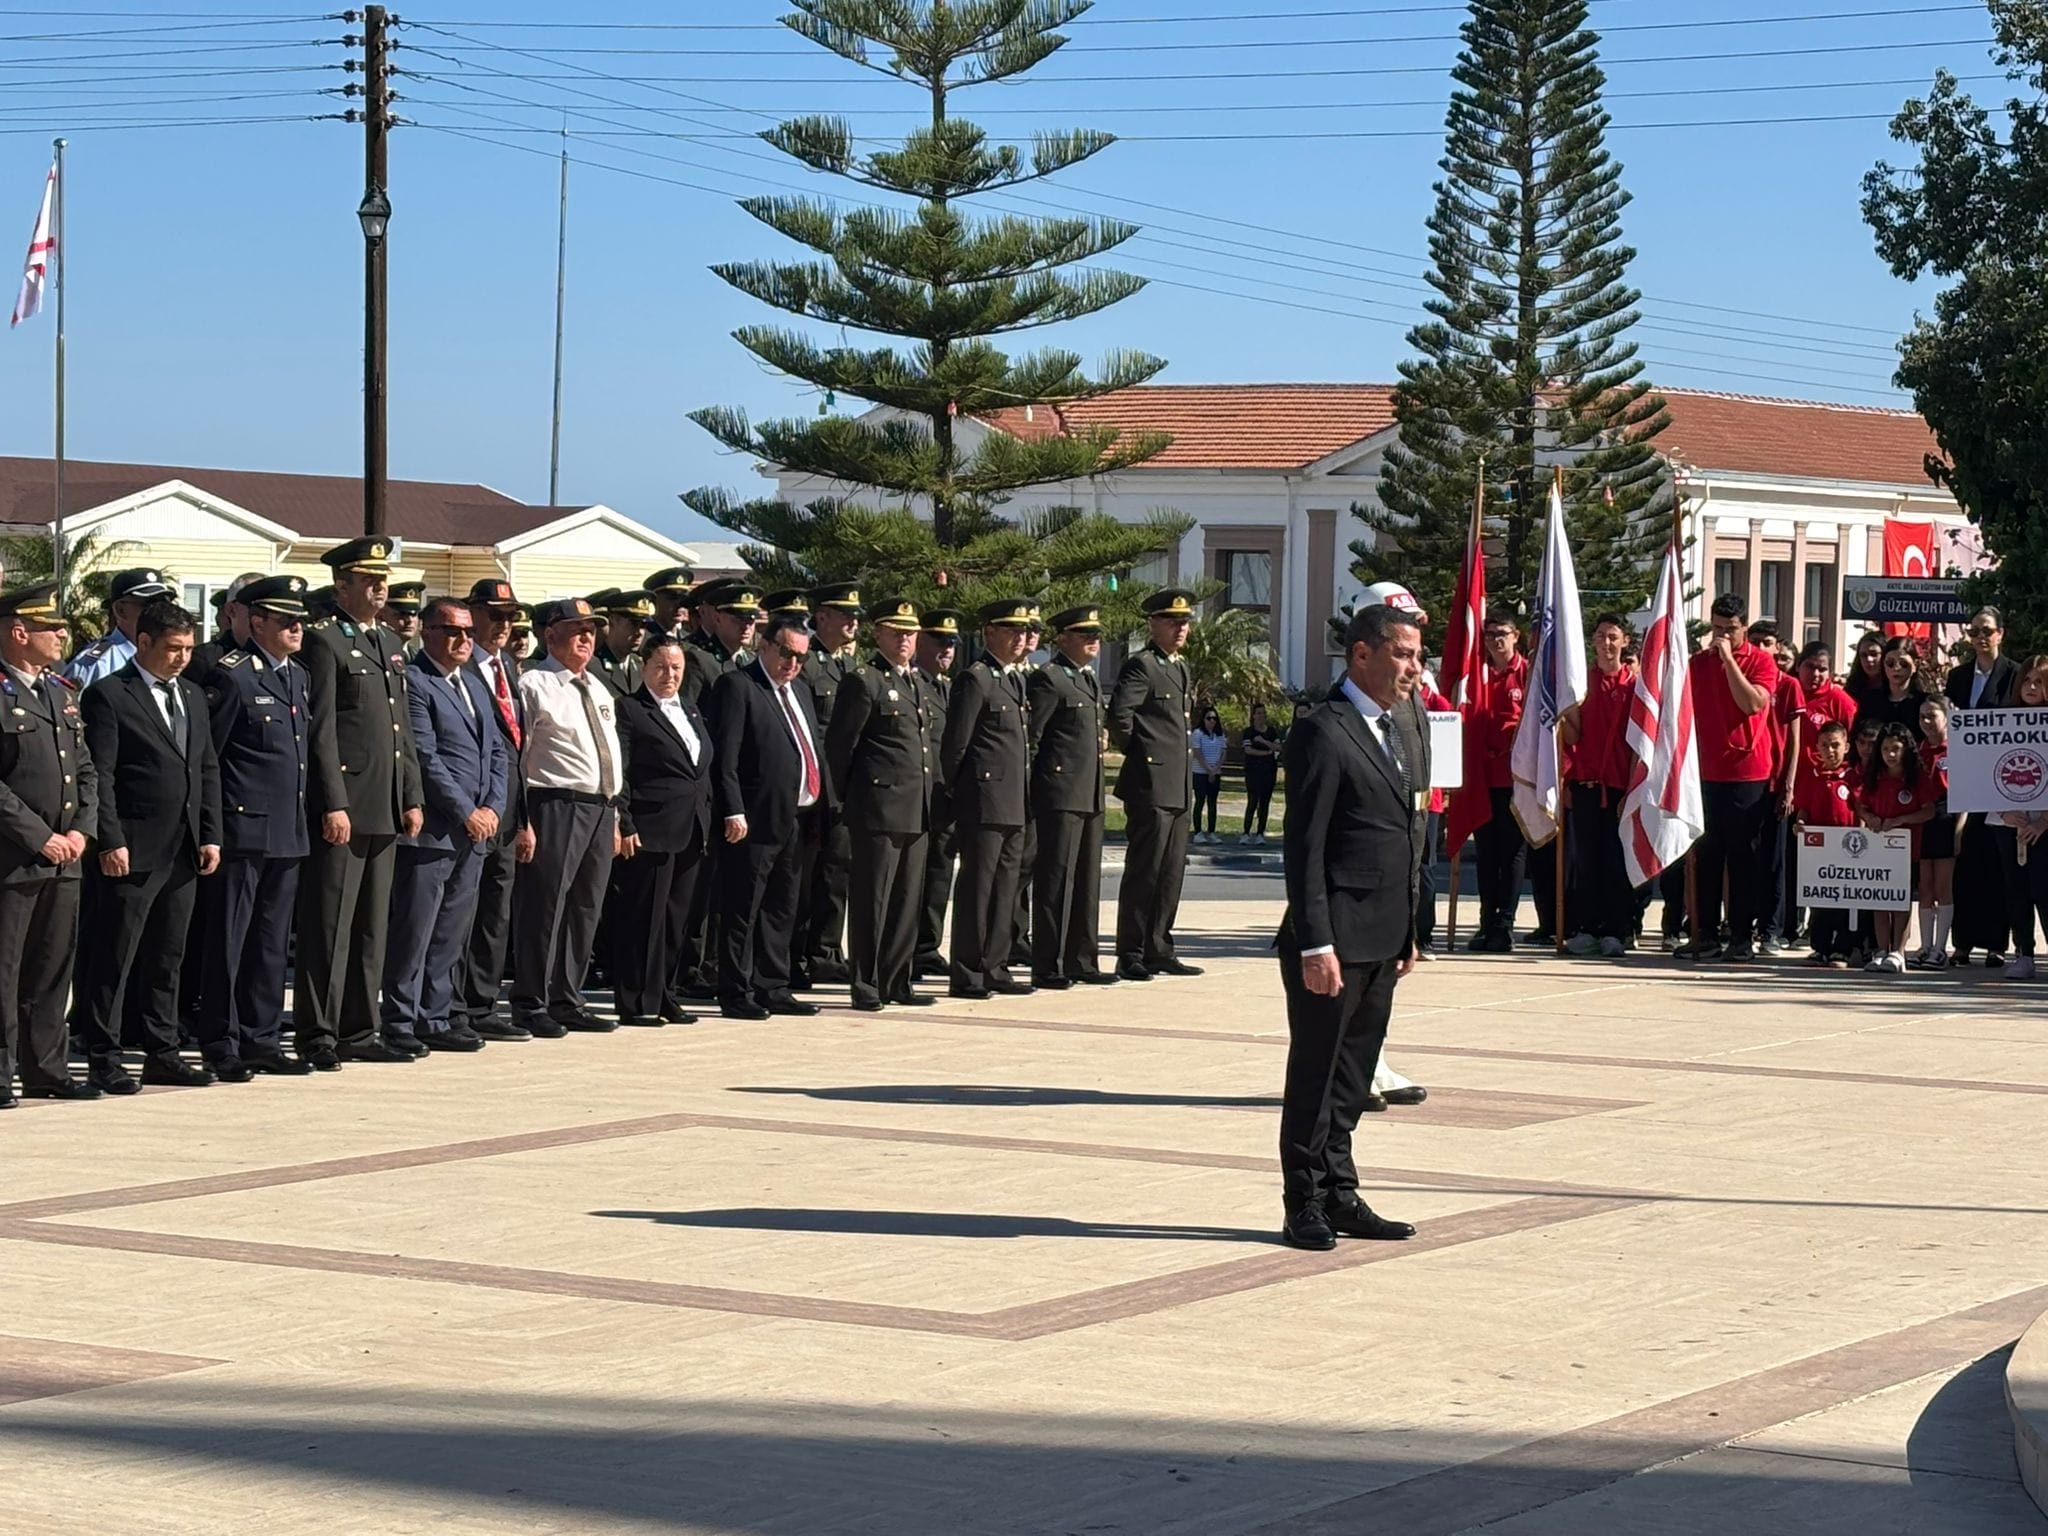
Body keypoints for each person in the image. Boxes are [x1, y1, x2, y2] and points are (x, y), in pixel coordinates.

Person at [1275, 603, 1430, 1251]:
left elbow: (1413, 830)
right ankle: (1303, 1201)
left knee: (1352, 1077)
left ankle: (1340, 1191)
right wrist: (1316, 942)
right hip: (1332, 938)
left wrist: (1411, 929)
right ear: (1361, 654)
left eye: (1417, 655)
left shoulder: (1408, 724)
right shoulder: (1323, 730)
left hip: (1384, 935)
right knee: (1317, 1075)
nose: (1413, 668)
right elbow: (1304, 848)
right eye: (1402, 654)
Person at [73, 599, 221, 1094]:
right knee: (114, 957)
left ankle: (162, 1052)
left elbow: (205, 768)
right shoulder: (110, 695)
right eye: (173, 648)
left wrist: (210, 833)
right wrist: (109, 839)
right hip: (132, 848)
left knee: (167, 958)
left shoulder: (192, 696)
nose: (182, 658)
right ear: (144, 642)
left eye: (189, 649)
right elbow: (102, 776)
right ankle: (104, 1055)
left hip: (183, 847)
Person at [295, 537, 425, 1070]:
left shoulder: (390, 642)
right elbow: (322, 729)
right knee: (330, 924)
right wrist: (333, 801)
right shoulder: (325, 640)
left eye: (382, 580)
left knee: (372, 925)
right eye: (368, 581)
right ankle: (318, 1032)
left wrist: (411, 795)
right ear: (341, 586)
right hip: (347, 804)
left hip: (385, 803)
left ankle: (360, 1028)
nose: (380, 589)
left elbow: (401, 730)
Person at [194, 575, 315, 1080]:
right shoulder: (234, 676)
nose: (296, 629)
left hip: (287, 829)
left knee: (270, 943)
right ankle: (220, 1041)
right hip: (242, 830)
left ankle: (261, 1038)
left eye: (300, 621)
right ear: (257, 622)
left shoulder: (299, 676)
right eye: (285, 620)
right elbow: (211, 759)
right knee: (228, 941)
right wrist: (212, 828)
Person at [382, 598, 507, 1056]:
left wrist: (493, 807)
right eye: (452, 631)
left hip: (475, 832)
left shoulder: (472, 683)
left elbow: (497, 751)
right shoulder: (415, 681)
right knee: (414, 931)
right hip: (436, 830)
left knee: (450, 932)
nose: (463, 640)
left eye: (469, 632)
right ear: (427, 632)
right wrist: (466, 811)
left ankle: (435, 1017)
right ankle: (400, 1019)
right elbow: (425, 756)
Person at [0, 583, 98, 1105]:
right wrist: (40, 837)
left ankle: (45, 1069)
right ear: (19, 633)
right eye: (50, 628)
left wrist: (81, 829)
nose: (62, 635)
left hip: (65, 858)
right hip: (13, 859)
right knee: (5, 970)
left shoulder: (61, 691)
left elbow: (85, 770)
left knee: (52, 969)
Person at [511, 597, 627, 1037]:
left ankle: (567, 997)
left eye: (591, 630)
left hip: (599, 806)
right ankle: (531, 1001)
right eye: (577, 629)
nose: (586, 637)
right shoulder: (534, 684)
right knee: (545, 905)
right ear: (550, 634)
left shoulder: (597, 686)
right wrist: (523, 819)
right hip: (555, 803)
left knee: (585, 907)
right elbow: (519, 757)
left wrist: (614, 815)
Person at [706, 614, 824, 1020]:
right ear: (765, 645)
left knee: (782, 906)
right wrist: (733, 809)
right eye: (787, 653)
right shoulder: (739, 686)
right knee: (743, 906)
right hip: (753, 820)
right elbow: (726, 757)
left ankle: (772, 985)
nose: (793, 664)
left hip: (796, 817)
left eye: (801, 657)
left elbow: (810, 749)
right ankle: (735, 990)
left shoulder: (800, 691)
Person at [823, 596, 937, 1012]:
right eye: (896, 632)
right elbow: (841, 748)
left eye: (910, 633)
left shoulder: (917, 681)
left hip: (915, 807)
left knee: (907, 900)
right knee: (873, 899)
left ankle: (896, 978)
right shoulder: (865, 680)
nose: (904, 639)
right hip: (878, 807)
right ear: (878, 634)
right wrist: (846, 802)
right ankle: (866, 981)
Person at [611, 634, 713, 1027]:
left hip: (691, 827)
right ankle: (635, 999)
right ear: (644, 667)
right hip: (651, 826)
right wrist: (625, 820)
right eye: (660, 667)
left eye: (676, 667)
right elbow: (622, 771)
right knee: (644, 917)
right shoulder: (631, 709)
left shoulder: (690, 709)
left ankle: (664, 992)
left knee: (675, 918)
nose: (669, 675)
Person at [452, 578, 537, 1042]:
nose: (504, 625)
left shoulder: (509, 670)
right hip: (470, 810)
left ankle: (482, 1004)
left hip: (506, 812)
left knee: (494, 913)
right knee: (460, 914)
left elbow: (517, 750)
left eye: (510, 617)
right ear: (473, 615)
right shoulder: (460, 668)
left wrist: (523, 820)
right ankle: (451, 1006)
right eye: (495, 615)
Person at [941, 598, 1037, 1000]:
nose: (1019, 637)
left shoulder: (1014, 679)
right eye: (1010, 630)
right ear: (989, 632)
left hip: (1014, 801)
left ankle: (995, 966)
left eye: (1023, 631)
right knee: (978, 890)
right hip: (984, 801)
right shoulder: (975, 678)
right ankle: (967, 972)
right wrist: (960, 796)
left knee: (1005, 890)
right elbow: (956, 747)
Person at [1109, 587, 1202, 981]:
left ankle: (1159, 947)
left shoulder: (1179, 667)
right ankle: (1130, 952)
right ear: (1153, 624)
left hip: (1178, 785)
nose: (1180, 628)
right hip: (1151, 783)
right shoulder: (1142, 666)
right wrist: (1146, 757)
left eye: (1185, 622)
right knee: (1145, 871)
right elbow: (1120, 717)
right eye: (1172, 621)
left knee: (1170, 872)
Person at [1682, 593, 1780, 962]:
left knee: (1742, 858)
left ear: (1744, 628)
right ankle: (1705, 933)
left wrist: (1729, 662)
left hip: (1747, 773)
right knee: (1707, 856)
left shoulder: (1761, 661)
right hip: (1706, 773)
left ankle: (1740, 935)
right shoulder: (1698, 664)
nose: (1722, 636)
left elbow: (1752, 703)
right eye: (1717, 628)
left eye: (1731, 629)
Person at [1027, 603, 1113, 989]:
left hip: (1089, 792)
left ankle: (1082, 959)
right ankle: (1050, 964)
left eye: (1096, 635)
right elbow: (1034, 738)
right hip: (1060, 793)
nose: (1093, 641)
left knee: (1086, 881)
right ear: (1063, 639)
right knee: (1056, 880)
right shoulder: (1050, 678)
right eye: (1085, 635)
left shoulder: (1087, 679)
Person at [1560, 613, 1637, 957]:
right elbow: (1573, 736)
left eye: (1613, 637)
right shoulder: (1580, 685)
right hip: (1585, 784)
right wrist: (1560, 713)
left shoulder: (1634, 687)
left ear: (1625, 642)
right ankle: (1587, 928)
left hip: (1620, 786)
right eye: (1601, 636)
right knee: (1586, 861)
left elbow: (1640, 744)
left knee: (1615, 862)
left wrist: (1633, 789)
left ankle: (1617, 930)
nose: (1606, 643)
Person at [800, 581, 864, 987]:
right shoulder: (807, 664)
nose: (853, 623)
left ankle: (826, 949)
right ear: (821, 617)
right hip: (815, 785)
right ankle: (805, 951)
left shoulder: (851, 666)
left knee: (838, 870)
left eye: (856, 616)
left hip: (846, 786)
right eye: (845, 615)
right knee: (810, 873)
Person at [1947, 607, 2017, 967]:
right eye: (1973, 631)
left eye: (1986, 631)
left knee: (1999, 863)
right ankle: (1962, 942)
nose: (1980, 637)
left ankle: (1995, 944)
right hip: (1968, 780)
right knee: (1967, 860)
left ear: (2000, 633)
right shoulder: (1958, 677)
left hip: (2005, 780)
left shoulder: (2014, 675)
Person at [1465, 609, 1528, 951]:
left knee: (1512, 853)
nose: (1496, 640)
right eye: (1489, 635)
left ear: (1516, 636)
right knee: (1486, 854)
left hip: (1516, 779)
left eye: (1502, 633)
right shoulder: (1476, 675)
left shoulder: (1528, 674)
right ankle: (1487, 922)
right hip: (1481, 778)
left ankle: (1505, 924)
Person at [1743, 621, 1806, 956]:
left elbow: (1795, 741)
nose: (1760, 648)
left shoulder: (1788, 685)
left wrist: (1789, 787)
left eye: (1766, 642)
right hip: (1744, 782)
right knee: (1744, 858)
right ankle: (1741, 926)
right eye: (1754, 641)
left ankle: (1771, 929)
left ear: (1777, 647)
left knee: (1774, 860)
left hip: (1775, 781)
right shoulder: (1739, 681)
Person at [1856, 723, 1934, 973]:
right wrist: (1870, 817)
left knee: (1901, 900)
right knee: (1880, 899)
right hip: (1878, 848)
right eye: (1885, 749)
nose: (1890, 754)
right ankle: (1881, 950)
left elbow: (1929, 811)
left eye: (1896, 749)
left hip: (1905, 850)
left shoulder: (1917, 778)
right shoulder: (1874, 776)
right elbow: (1861, 805)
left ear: (1906, 750)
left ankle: (1898, 952)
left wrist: (1901, 820)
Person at [913, 607, 962, 979]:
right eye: (939, 642)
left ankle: (927, 947)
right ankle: (906, 950)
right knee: (912, 878)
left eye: (952, 644)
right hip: (916, 796)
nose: (947, 650)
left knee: (938, 875)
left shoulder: (950, 687)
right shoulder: (912, 683)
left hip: (944, 795)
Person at [1993, 657, 2048, 979]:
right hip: (2008, 824)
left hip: (2044, 827)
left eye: (2039, 682)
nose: (2031, 687)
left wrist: (2044, 821)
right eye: (2026, 681)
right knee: (2016, 891)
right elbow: (1983, 772)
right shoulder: (2002, 722)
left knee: (2044, 890)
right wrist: (2003, 811)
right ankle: (2024, 953)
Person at [1794, 720, 1860, 968]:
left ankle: (1842, 949)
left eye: (1835, 745)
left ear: (1846, 747)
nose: (1830, 751)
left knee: (1845, 901)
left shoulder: (1853, 777)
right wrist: (1800, 823)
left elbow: (1861, 809)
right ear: (1817, 748)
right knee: (1820, 900)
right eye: (1825, 745)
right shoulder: (1812, 777)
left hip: (1847, 850)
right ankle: (1820, 948)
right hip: (1819, 852)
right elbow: (1803, 808)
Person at [62, 566, 174, 689]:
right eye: (149, 604)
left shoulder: (172, 658)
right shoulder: (97, 665)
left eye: (164, 604)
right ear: (120, 610)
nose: (159, 612)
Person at [1910, 695, 1959, 970]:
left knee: (1943, 886)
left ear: (1947, 717)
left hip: (1946, 816)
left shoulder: (1956, 749)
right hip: (1922, 818)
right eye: (1922, 716)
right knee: (1925, 886)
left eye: (1932, 716)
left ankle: (1941, 949)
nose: (1926, 721)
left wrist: (1959, 831)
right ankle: (1926, 946)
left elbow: (1965, 795)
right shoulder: (1917, 750)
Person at [190, 571, 266, 676]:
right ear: (231, 610)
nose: (265, 613)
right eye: (256, 606)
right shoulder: (205, 659)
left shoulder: (283, 656)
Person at [1857, 635, 1929, 743]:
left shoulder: (1924, 703)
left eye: (1903, 664)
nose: (1896, 668)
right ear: (1883, 665)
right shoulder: (1870, 700)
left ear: (1915, 665)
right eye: (1890, 663)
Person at [589, 589, 652, 699]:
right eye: (633, 623)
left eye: (643, 625)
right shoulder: (592, 667)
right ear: (613, 621)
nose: (640, 632)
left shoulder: (641, 666)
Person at [1239, 701, 1280, 846]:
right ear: (1253, 716)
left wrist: (1264, 741)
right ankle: (1246, 832)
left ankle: (1260, 833)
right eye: (1258, 713)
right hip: (1253, 771)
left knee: (1265, 802)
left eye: (1263, 713)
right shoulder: (1248, 732)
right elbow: (1248, 750)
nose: (1261, 716)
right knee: (1252, 801)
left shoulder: (1271, 732)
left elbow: (1278, 747)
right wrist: (1266, 753)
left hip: (1269, 771)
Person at [1190, 707, 1228, 844]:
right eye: (1209, 718)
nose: (1212, 721)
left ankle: (1211, 832)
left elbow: (1223, 752)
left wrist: (1215, 769)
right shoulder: (1198, 733)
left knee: (1212, 802)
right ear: (1203, 719)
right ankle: (1198, 832)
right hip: (1200, 773)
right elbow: (1197, 753)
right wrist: (1208, 769)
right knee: (1200, 801)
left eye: (1214, 718)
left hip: (1216, 772)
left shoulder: (1220, 734)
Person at [643, 566, 696, 641]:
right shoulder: (643, 638)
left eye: (683, 598)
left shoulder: (687, 639)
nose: (679, 604)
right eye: (672, 598)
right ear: (654, 600)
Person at [379, 580, 425, 654]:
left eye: (414, 614)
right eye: (402, 614)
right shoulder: (377, 652)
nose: (409, 620)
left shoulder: (415, 655)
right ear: (382, 615)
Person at [1844, 631, 1887, 711]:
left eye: (1873, 654)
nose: (1869, 659)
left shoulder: (1894, 688)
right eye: (1864, 655)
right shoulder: (1852, 688)